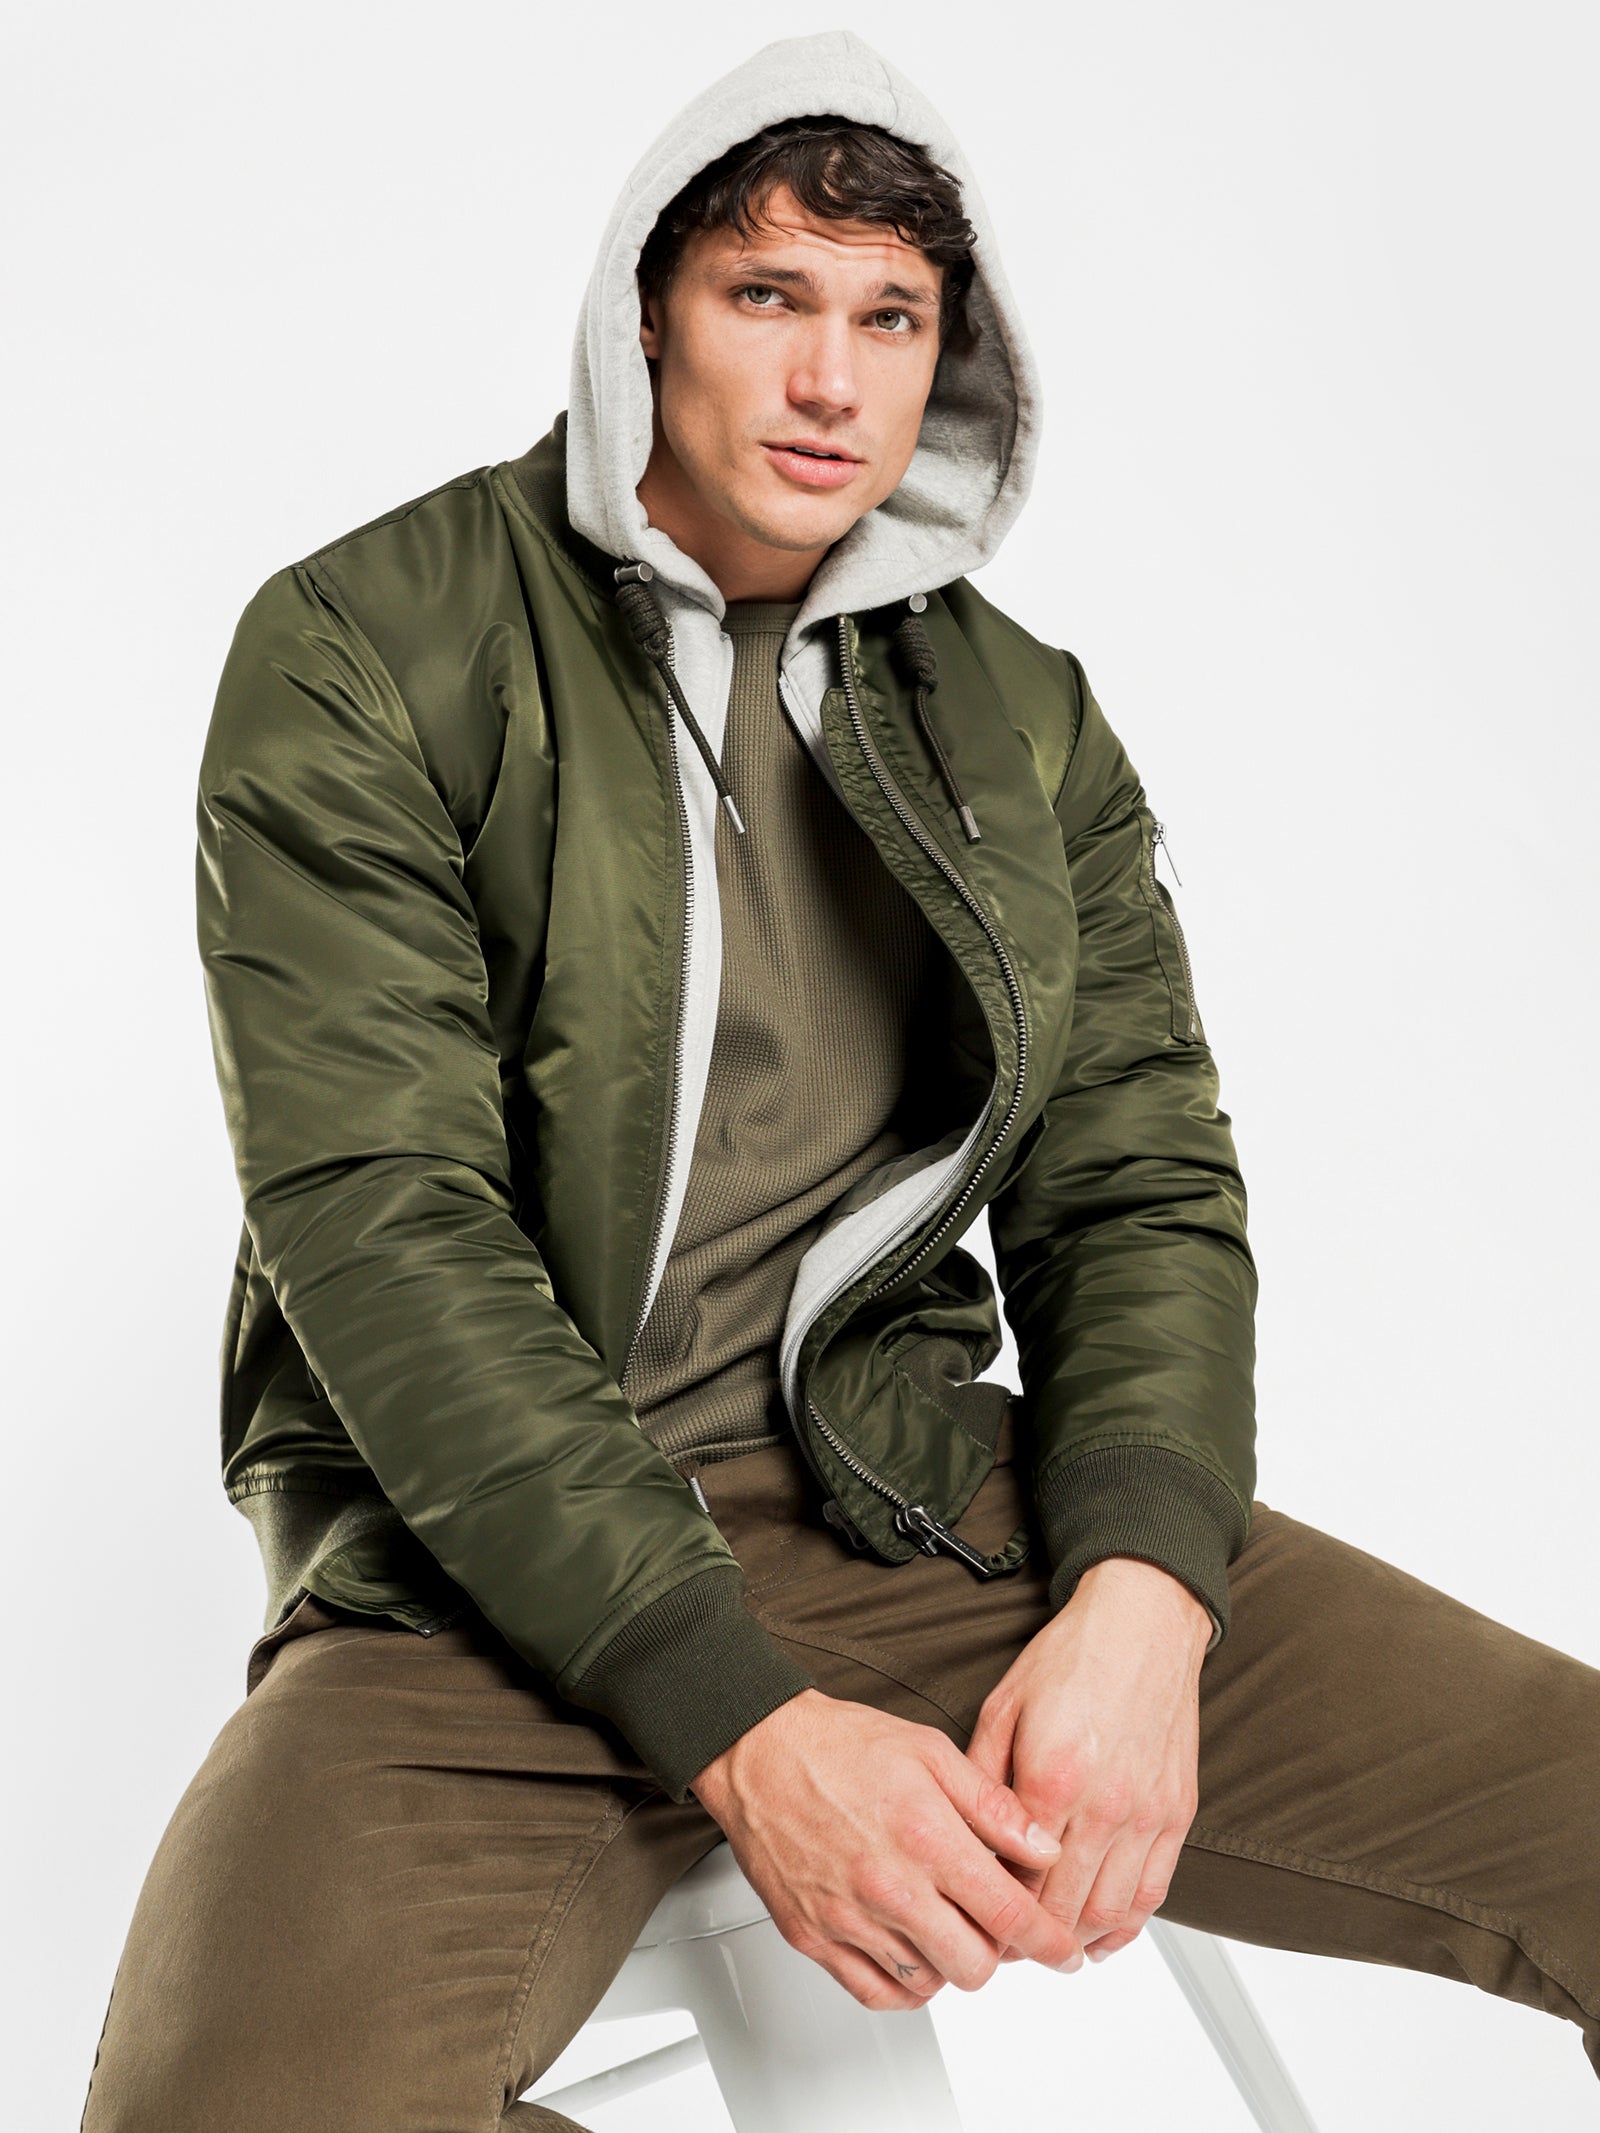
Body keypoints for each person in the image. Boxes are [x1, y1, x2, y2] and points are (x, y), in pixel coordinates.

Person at [80, 31, 1599, 2131]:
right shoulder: (366, 646)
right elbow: (383, 1232)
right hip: (467, 1584)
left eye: (890, 316)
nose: (830, 381)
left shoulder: (1018, 719)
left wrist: (1145, 1591)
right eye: (766, 295)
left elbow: (1136, 1187)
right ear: (643, 318)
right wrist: (738, 1720)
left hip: (900, 1497)